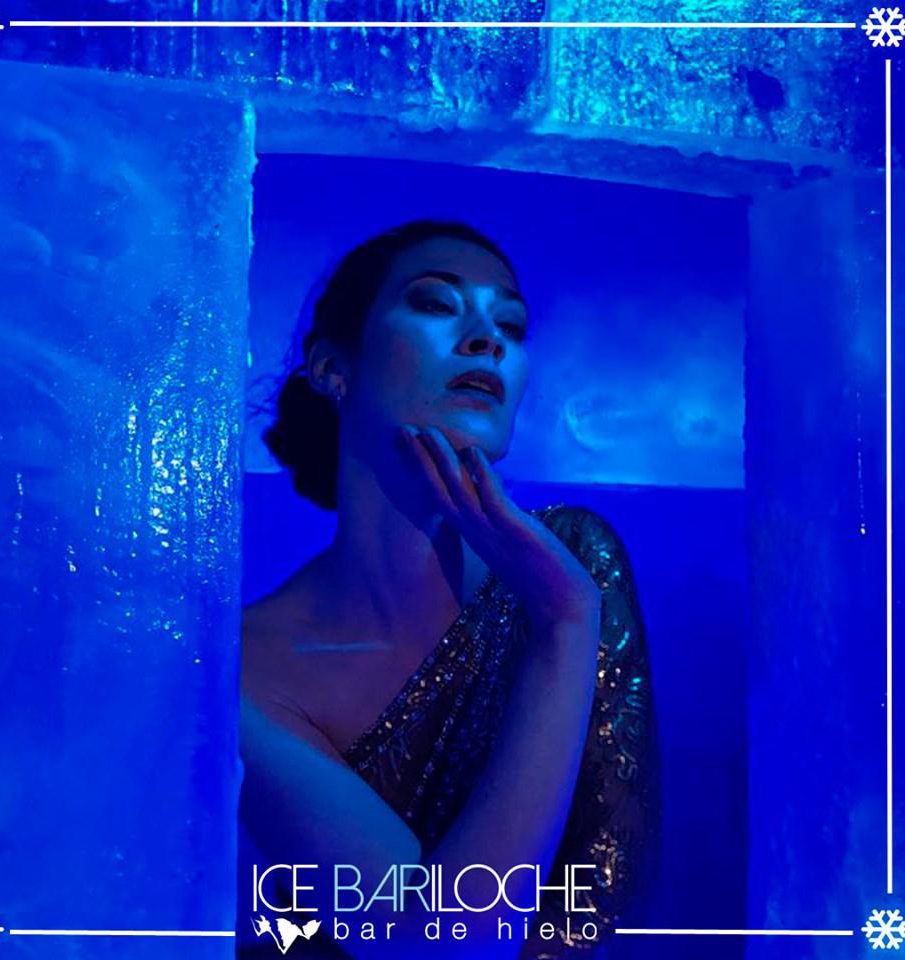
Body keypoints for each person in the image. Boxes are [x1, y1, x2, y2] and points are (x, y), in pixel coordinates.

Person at [237, 219, 661, 959]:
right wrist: (563, 625)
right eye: (436, 304)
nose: (487, 340)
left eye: (511, 325)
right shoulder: (244, 669)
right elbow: (436, 944)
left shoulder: (577, 559)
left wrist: (567, 609)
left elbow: (605, 892)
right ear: (332, 368)